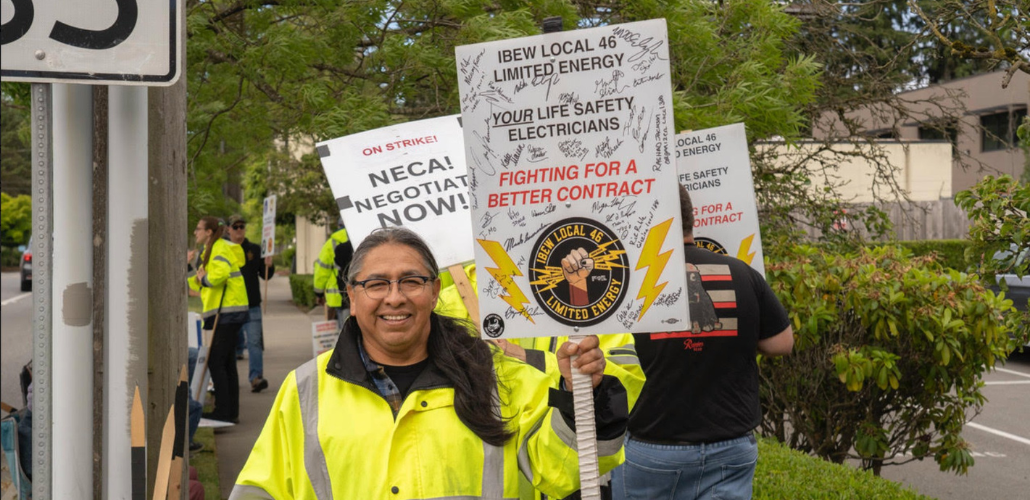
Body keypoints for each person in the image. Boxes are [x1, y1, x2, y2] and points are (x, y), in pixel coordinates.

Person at [231, 227, 628, 499]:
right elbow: (260, 490)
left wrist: (584, 397)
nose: (395, 297)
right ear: (352, 296)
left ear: (435, 291)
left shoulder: (497, 376)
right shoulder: (305, 391)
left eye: (411, 281)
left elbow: (560, 470)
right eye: (376, 283)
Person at [611, 185, 794, 500]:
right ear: (690, 219)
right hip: (731, 449)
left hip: (652, 450)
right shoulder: (742, 272)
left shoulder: (632, 281)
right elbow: (782, 343)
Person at [434, 265, 646, 500]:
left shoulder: (590, 292)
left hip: (575, 479)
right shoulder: (450, 298)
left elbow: (624, 384)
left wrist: (536, 362)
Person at [188, 216, 250, 424]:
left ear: (208, 232)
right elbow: (198, 284)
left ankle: (224, 411)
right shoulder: (209, 250)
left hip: (228, 311)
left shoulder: (218, 247)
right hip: (225, 312)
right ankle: (230, 411)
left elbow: (217, 276)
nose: (195, 232)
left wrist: (204, 277)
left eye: (198, 228)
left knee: (217, 361)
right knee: (227, 361)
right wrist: (193, 271)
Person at [226, 214, 275, 393]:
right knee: (229, 344)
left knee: (254, 342)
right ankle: (229, 379)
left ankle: (256, 378)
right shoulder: (225, 250)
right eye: (236, 226)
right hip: (230, 306)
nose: (239, 230)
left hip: (252, 305)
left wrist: (269, 263)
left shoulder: (254, 249)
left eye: (242, 226)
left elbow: (266, 275)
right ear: (228, 229)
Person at [313, 222, 353, 329]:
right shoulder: (363, 237)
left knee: (344, 330)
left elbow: (322, 270)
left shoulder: (331, 243)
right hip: (362, 295)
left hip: (339, 296)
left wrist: (319, 293)